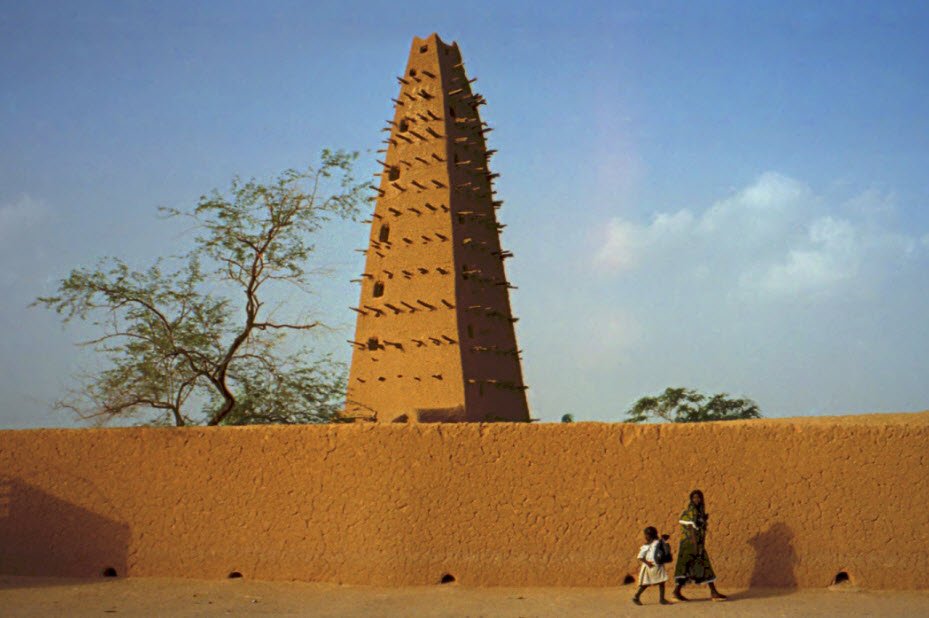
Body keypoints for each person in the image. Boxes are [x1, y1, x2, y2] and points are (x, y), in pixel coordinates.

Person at [673, 489, 727, 601]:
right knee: (700, 565)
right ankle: (713, 592)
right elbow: (691, 528)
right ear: (691, 499)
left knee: (690, 568)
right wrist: (696, 546)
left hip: (696, 544)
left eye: (698, 497)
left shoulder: (699, 512)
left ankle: (676, 592)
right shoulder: (691, 511)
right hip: (690, 545)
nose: (696, 500)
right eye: (694, 498)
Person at [632, 526, 671, 606]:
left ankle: (661, 599)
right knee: (652, 583)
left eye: (647, 535)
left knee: (658, 582)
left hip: (655, 566)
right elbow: (640, 557)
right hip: (651, 566)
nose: (646, 536)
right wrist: (648, 563)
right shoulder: (650, 544)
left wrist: (664, 540)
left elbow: (663, 549)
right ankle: (637, 597)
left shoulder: (653, 543)